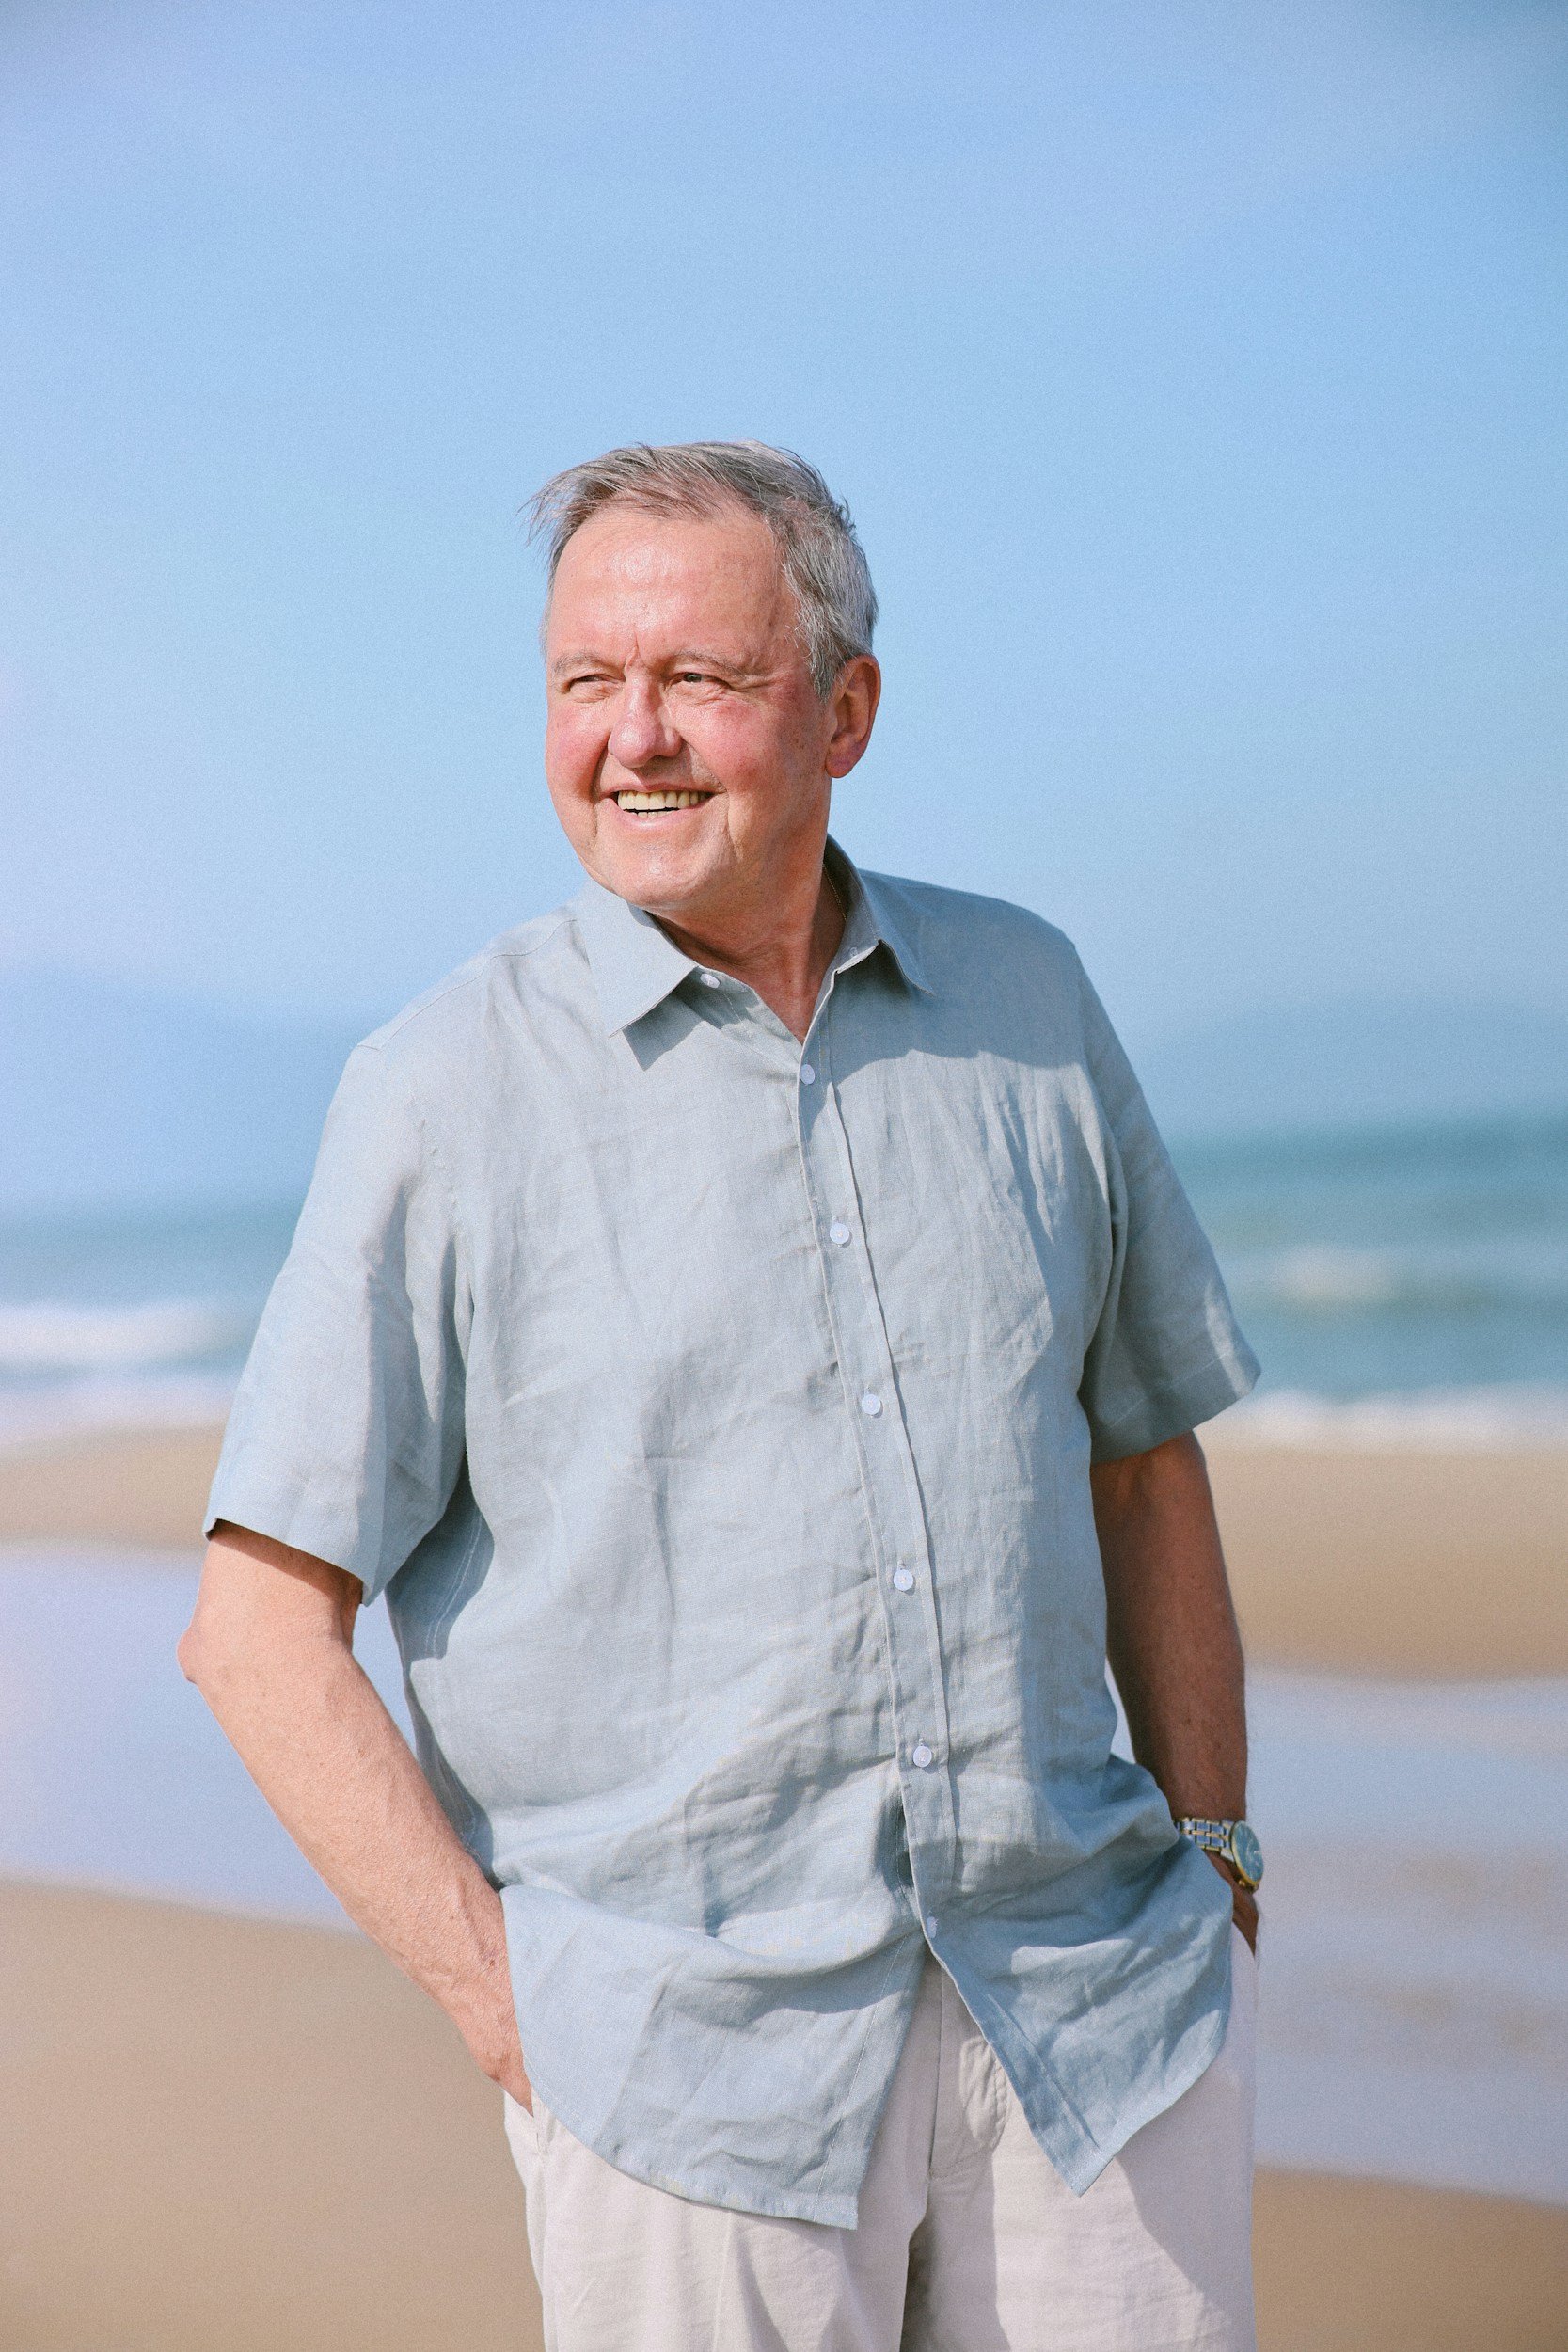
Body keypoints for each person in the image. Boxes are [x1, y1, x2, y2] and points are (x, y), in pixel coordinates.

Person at [180, 440, 1263, 2351]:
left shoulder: (1034, 1003)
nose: (635, 738)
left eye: (698, 677)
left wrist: (1220, 1854)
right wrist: (512, 2008)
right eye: (586, 681)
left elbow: (1145, 1461)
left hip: (1095, 2029)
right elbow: (258, 1628)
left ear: (844, 710)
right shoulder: (441, 1093)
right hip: (683, 2097)